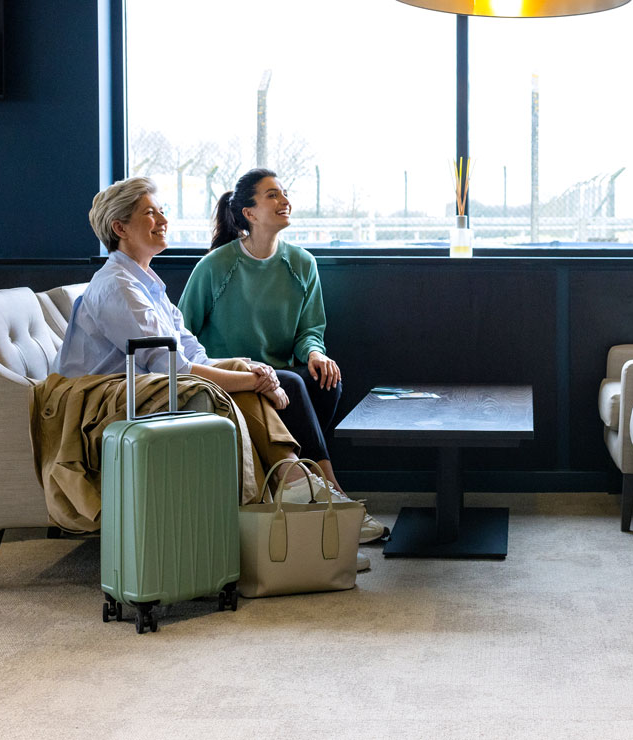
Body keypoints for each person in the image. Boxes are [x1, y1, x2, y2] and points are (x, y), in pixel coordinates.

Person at [53, 177, 375, 569]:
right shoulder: (118, 287)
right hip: (109, 403)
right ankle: (300, 488)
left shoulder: (146, 284)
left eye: (162, 211)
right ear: (120, 228)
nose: (162, 220)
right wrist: (254, 379)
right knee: (244, 384)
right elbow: (174, 368)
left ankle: (297, 489)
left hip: (151, 386)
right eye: (149, 213)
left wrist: (254, 371)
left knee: (255, 374)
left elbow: (193, 352)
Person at [177, 168, 388, 544]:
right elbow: (182, 332)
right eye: (272, 195)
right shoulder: (215, 266)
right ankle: (331, 490)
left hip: (279, 373)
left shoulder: (302, 263)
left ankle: (304, 487)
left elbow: (310, 330)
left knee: (325, 383)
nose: (284, 200)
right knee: (289, 381)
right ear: (248, 212)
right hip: (233, 379)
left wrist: (315, 354)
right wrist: (226, 371)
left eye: (284, 193)